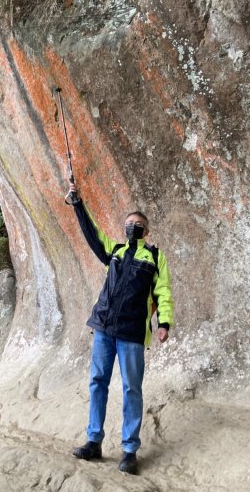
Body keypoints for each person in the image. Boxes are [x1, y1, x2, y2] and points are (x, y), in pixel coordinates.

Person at [67, 182, 174, 475]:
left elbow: (163, 292)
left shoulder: (154, 257)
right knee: (97, 382)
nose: (133, 228)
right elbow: (92, 234)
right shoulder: (113, 251)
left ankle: (129, 451)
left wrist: (164, 323)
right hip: (103, 327)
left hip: (132, 334)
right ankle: (93, 441)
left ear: (146, 231)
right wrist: (77, 203)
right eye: (129, 224)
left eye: (138, 225)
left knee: (131, 389)